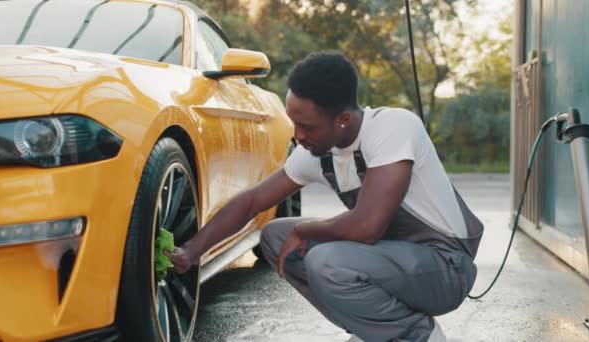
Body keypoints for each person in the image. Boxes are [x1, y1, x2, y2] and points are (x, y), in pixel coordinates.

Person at [166, 51, 483, 342]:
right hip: (392, 258)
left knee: (324, 261)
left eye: (307, 126)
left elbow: (367, 226)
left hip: (445, 267)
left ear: (342, 119)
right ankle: (374, 328)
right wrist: (191, 252)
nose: (298, 136)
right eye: (294, 123)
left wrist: (306, 230)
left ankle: (415, 334)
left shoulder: (393, 127)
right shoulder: (318, 151)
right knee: (276, 237)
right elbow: (251, 202)